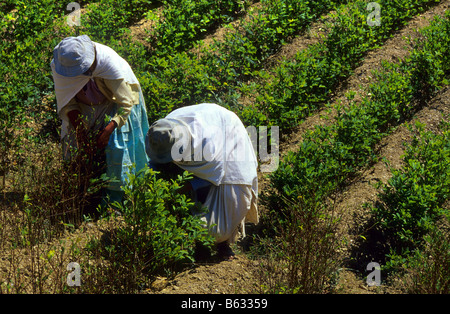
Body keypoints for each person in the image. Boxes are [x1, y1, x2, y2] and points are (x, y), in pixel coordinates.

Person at [145, 103, 259, 260]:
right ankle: (198, 241)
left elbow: (213, 176)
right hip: (208, 125)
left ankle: (221, 244)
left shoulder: (207, 145)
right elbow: (154, 161)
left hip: (228, 131)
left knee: (225, 194)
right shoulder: (163, 130)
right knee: (190, 193)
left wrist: (185, 187)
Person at [51, 35, 149, 206]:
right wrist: (80, 131)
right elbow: (68, 102)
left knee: (117, 145)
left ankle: (117, 198)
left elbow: (125, 103)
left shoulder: (108, 64)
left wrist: (109, 129)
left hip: (117, 100)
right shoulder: (61, 65)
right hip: (86, 104)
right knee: (72, 144)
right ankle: (80, 189)